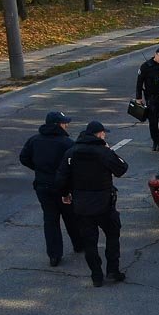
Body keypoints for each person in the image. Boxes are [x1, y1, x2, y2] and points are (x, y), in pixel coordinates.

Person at [56, 121, 129, 286]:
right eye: (104, 133)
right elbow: (122, 168)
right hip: (104, 204)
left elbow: (61, 178)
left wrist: (65, 194)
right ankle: (112, 270)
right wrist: (109, 150)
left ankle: (96, 275)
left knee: (90, 242)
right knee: (112, 235)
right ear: (100, 134)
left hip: (81, 205)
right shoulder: (103, 152)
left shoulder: (71, 152)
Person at [19, 110, 82, 267]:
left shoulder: (34, 140)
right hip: (62, 187)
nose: (66, 125)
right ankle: (79, 243)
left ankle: (54, 255)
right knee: (70, 216)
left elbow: (24, 158)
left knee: (50, 219)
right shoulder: (66, 143)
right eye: (64, 122)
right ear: (58, 125)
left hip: (42, 186)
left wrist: (39, 169)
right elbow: (74, 164)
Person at [136, 47, 159, 150]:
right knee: (153, 122)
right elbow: (139, 83)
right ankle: (155, 141)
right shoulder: (146, 66)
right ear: (155, 54)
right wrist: (138, 97)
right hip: (152, 99)